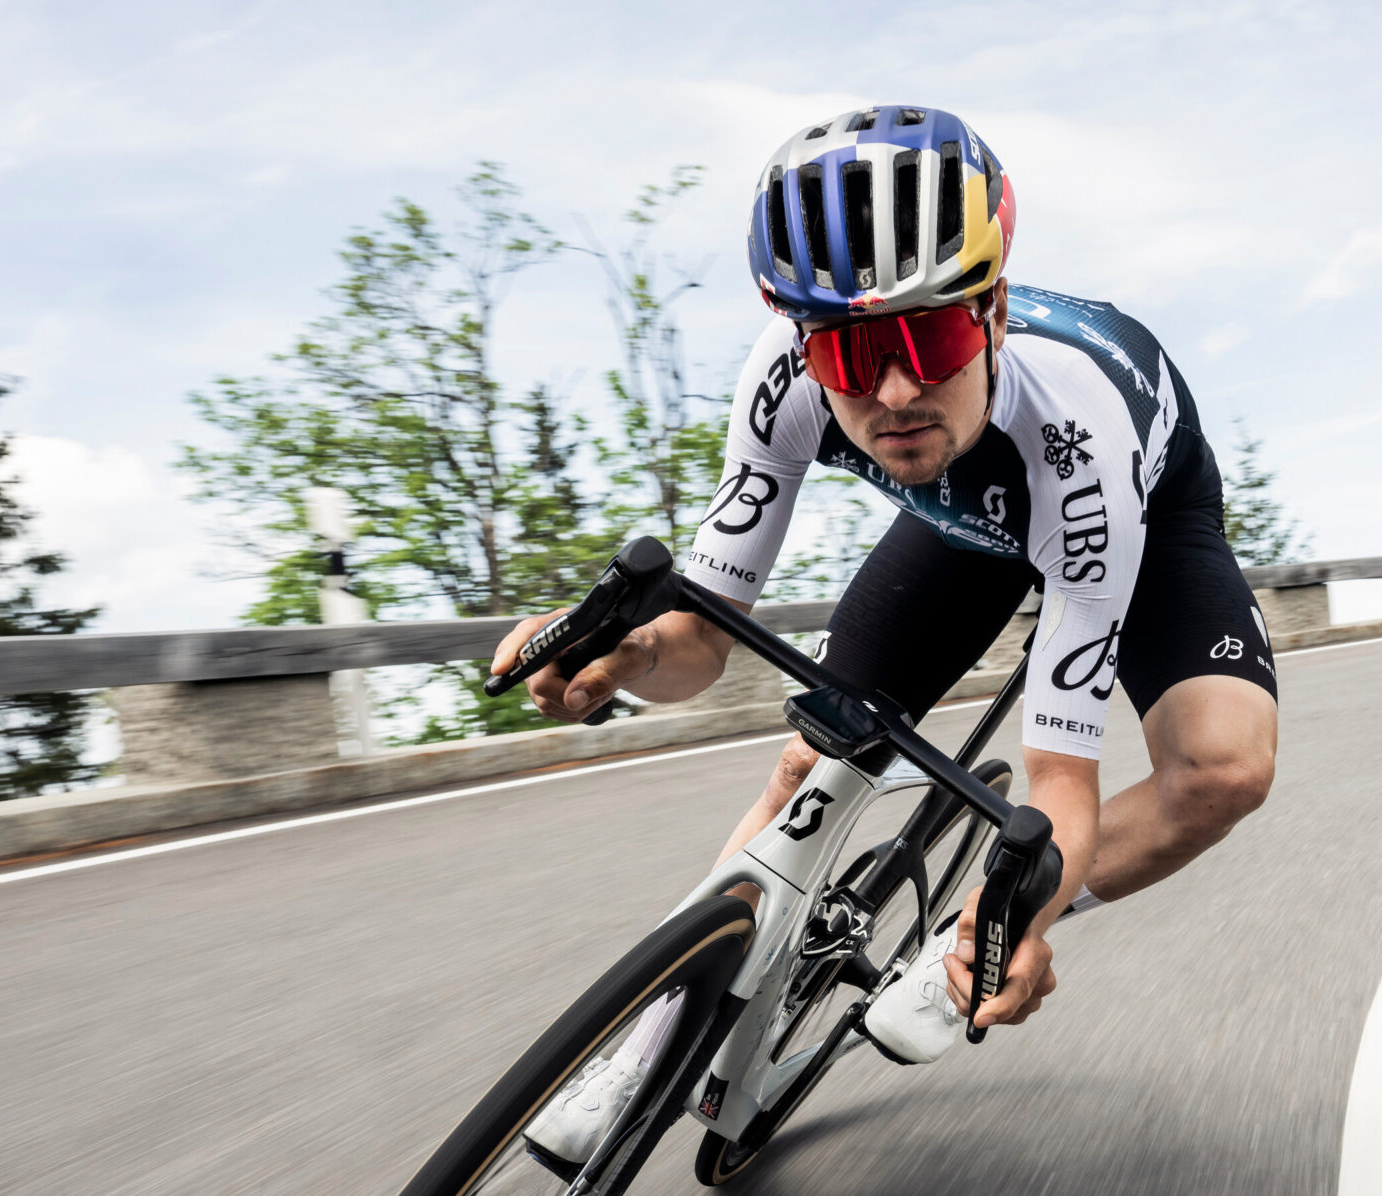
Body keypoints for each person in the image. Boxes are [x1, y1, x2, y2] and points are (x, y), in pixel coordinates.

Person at [497, 104, 1277, 1085]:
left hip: (1133, 509)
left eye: (936, 338)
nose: (898, 392)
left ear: (991, 314)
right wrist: (629, 657)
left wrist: (1019, 916)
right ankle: (650, 1042)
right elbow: (698, 637)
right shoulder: (781, 380)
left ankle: (960, 945)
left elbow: (1061, 785)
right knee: (811, 759)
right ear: (802, 344)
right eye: (852, 356)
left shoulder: (1080, 437)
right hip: (965, 515)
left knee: (1221, 771)